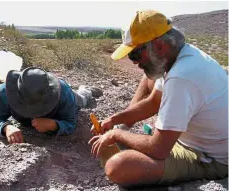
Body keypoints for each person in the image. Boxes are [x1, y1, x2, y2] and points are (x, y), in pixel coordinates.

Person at [89, 10, 228, 187]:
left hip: (211, 158)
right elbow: (154, 102)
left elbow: (158, 149)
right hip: (191, 142)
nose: (134, 62)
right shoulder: (179, 56)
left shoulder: (181, 78)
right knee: (148, 76)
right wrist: (115, 119)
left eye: (136, 55)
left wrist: (117, 134)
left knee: (118, 166)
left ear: (159, 46)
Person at [0, 66, 92, 144]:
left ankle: (86, 90)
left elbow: (70, 122)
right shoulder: (5, 92)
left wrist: (54, 124)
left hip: (69, 95)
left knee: (82, 99)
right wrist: (6, 127)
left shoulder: (63, 93)